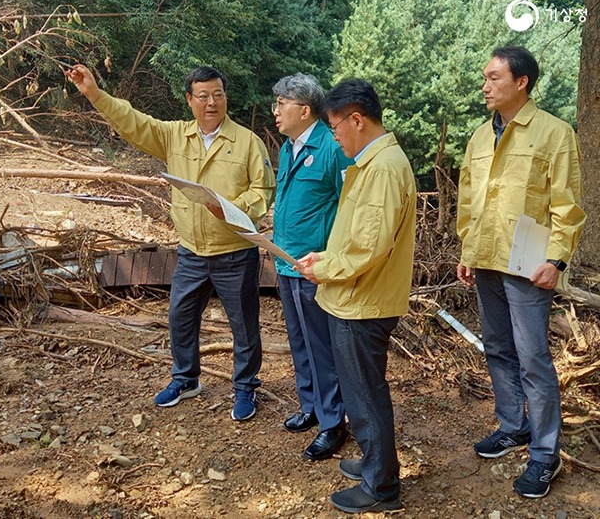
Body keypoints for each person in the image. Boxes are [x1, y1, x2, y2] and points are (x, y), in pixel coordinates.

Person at [68, 65, 276, 421]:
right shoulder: (174, 136)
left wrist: (231, 208)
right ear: (189, 100)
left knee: (243, 324)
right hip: (191, 251)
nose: (212, 102)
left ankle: (244, 387)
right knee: (180, 318)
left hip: (234, 253)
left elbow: (264, 190)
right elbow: (133, 122)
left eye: (218, 95)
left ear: (226, 97)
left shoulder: (247, 141)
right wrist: (94, 93)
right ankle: (186, 378)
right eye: (204, 96)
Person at [456, 46, 585, 498]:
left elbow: (567, 205)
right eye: (485, 78)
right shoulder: (479, 136)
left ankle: (545, 454)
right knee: (496, 347)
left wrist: (557, 260)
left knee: (533, 357)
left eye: (493, 78)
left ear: (521, 81)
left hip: (529, 266)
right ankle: (514, 425)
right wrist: (467, 251)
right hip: (486, 260)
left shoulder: (554, 132)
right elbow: (469, 202)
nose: (485, 86)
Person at [297, 79, 415, 514]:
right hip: (354, 296)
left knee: (365, 396)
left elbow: (369, 247)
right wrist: (325, 256)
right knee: (360, 390)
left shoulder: (382, 168)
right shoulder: (372, 163)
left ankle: (382, 488)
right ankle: (373, 463)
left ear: (357, 120)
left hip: (363, 302)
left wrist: (322, 269)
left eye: (334, 126)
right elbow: (356, 236)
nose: (334, 136)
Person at [271, 73, 352, 460]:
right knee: (299, 342)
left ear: (304, 110)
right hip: (286, 263)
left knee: (322, 347)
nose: (275, 112)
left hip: (314, 267)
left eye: (281, 104)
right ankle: (311, 407)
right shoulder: (289, 147)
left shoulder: (332, 146)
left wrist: (331, 258)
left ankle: (334, 423)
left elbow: (348, 206)